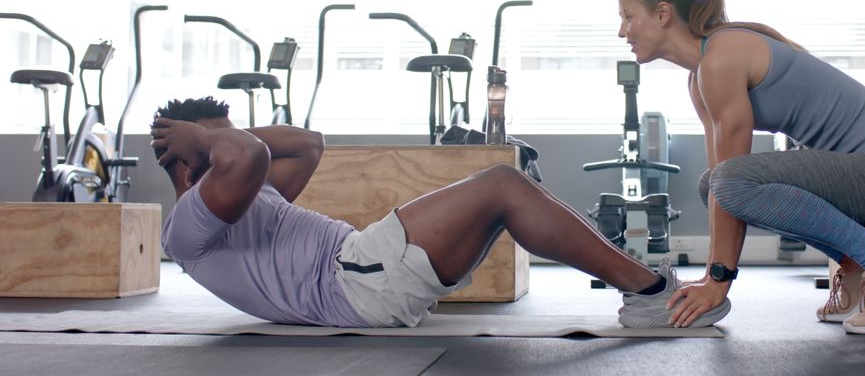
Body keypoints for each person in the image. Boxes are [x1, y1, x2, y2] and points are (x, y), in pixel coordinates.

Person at [150, 97, 731, 328]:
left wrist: (211, 136)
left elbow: (308, 144)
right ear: (189, 163)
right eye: (214, 143)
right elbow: (249, 154)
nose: (234, 144)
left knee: (505, 195)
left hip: (362, 272)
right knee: (502, 186)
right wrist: (209, 142)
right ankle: (651, 294)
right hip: (355, 280)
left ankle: (645, 290)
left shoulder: (249, 194)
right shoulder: (191, 226)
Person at [613, 0, 865, 335]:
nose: (622, 31)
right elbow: (722, 186)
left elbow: (732, 177)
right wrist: (710, 278)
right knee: (712, 184)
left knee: (728, 181)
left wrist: (718, 282)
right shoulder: (700, 77)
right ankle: (853, 265)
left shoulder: (722, 57)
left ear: (662, 14)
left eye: (628, 16)